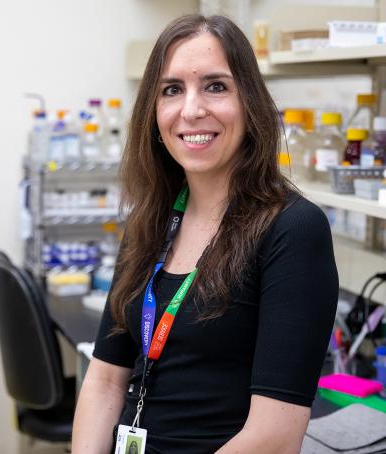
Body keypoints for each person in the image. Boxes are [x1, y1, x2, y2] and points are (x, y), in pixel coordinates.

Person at [71, 14, 337, 454]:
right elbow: (104, 379)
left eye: (216, 86)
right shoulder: (150, 221)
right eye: (172, 89)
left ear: (249, 102)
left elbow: (275, 436)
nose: (191, 109)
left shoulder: (292, 229)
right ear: (153, 113)